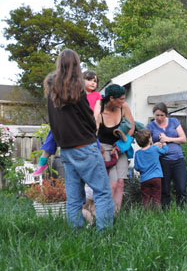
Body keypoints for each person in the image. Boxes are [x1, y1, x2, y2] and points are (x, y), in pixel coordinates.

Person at [45, 49, 114, 230]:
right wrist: (93, 133)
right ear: (76, 65)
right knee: (102, 192)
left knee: (74, 198)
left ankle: (75, 234)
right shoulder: (77, 89)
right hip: (85, 146)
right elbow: (89, 119)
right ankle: (105, 234)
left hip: (66, 150)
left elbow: (53, 122)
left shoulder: (52, 90)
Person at [33, 70, 102, 176]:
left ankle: (97, 165)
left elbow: (97, 110)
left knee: (95, 145)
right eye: (89, 80)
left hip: (87, 124)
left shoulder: (97, 95)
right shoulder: (75, 92)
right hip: (72, 123)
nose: (93, 83)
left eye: (95, 81)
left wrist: (96, 123)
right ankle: (42, 161)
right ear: (80, 80)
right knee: (52, 134)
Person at [97, 84, 135, 215]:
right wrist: (100, 151)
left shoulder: (123, 107)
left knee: (120, 183)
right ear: (111, 98)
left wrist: (121, 146)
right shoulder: (100, 109)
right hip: (104, 149)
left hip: (120, 147)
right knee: (111, 185)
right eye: (121, 99)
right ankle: (104, 214)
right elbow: (93, 133)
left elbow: (131, 127)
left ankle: (116, 215)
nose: (123, 101)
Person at [146, 102, 187, 207]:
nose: (159, 118)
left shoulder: (174, 122)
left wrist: (168, 139)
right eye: (157, 115)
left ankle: (182, 212)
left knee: (181, 188)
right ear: (154, 115)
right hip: (162, 161)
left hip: (178, 160)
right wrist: (155, 145)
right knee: (165, 190)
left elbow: (183, 139)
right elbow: (147, 145)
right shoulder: (150, 126)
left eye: (162, 115)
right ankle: (166, 213)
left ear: (166, 114)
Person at [134, 129, 169, 208]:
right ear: (149, 139)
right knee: (156, 197)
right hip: (156, 177)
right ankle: (156, 214)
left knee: (146, 198)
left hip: (144, 179)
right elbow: (165, 151)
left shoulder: (138, 153)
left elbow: (136, 167)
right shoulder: (154, 149)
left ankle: (146, 213)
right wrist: (164, 143)